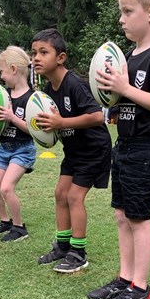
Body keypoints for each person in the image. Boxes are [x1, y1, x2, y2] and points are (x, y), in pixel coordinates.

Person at [86, 0, 150, 299]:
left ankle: (141, 288)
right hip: (123, 146)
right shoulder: (127, 56)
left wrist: (124, 88)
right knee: (121, 215)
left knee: (139, 218)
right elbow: (120, 97)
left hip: (147, 149)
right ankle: (124, 278)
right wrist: (111, 98)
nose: (121, 19)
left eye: (127, 11)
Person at [30, 28, 112, 273]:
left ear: (61, 57)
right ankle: (62, 246)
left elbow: (97, 116)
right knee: (60, 193)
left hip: (94, 149)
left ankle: (78, 253)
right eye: (33, 52)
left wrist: (61, 123)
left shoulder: (73, 83)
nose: (36, 58)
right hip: (74, 151)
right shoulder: (48, 90)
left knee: (75, 196)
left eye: (44, 52)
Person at [0, 46, 35, 241]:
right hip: (3, 149)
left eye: (3, 71)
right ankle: (5, 221)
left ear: (14, 69)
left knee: (6, 188)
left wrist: (11, 117)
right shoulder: (2, 94)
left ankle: (19, 228)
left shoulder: (31, 98)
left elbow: (34, 130)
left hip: (23, 149)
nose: (2, 77)